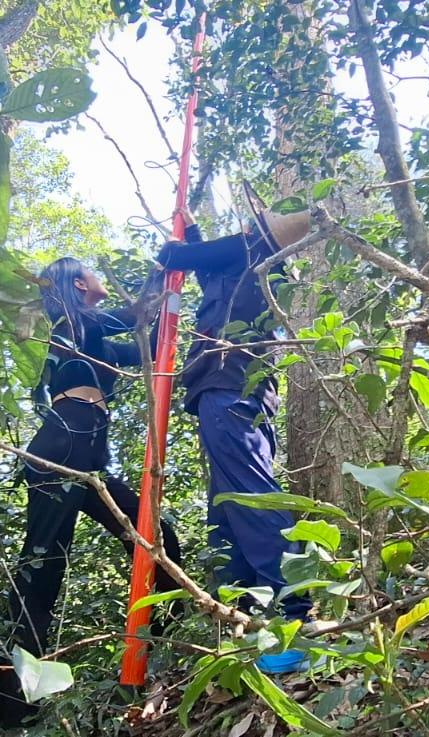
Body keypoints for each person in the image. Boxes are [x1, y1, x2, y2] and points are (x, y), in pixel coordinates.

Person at [0, 257, 186, 725]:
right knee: (41, 568)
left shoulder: (93, 337)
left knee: (154, 534)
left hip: (87, 453)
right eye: (93, 273)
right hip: (63, 443)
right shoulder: (73, 320)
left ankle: (169, 647)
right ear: (80, 284)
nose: (101, 280)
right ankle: (13, 709)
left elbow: (147, 343)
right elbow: (137, 314)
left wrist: (173, 309)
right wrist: (165, 270)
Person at [154, 208, 315, 673]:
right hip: (246, 396)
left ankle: (296, 620)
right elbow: (208, 274)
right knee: (226, 510)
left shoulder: (246, 248)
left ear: (255, 231)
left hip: (228, 392)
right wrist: (194, 230)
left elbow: (174, 257)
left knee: (251, 498)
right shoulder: (262, 270)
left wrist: (187, 238)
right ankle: (247, 625)